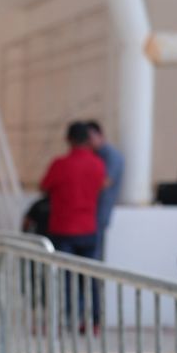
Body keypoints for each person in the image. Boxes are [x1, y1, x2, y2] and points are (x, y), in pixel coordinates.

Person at [40, 121, 107, 328]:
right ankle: (94, 320)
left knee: (65, 278)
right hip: (88, 228)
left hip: (63, 228)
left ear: (68, 139)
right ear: (88, 140)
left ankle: (67, 319)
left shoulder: (60, 164)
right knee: (90, 276)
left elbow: (44, 186)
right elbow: (100, 186)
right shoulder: (98, 164)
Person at [84, 120, 124, 261]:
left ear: (100, 135)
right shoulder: (93, 155)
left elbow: (106, 182)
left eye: (90, 138)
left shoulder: (112, 156)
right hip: (89, 213)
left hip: (101, 211)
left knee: (96, 253)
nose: (88, 142)